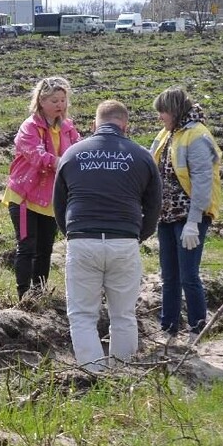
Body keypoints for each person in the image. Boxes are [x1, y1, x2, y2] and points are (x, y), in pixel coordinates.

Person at [53, 100, 161, 372]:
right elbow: (154, 206)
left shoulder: (73, 154)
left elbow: (59, 204)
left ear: (94, 125)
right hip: (124, 240)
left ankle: (92, 374)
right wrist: (137, 235)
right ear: (125, 126)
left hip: (83, 240)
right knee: (124, 315)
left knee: (82, 315)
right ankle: (122, 374)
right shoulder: (141, 155)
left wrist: (73, 234)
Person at [149, 87, 223, 336]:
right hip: (166, 215)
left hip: (190, 216)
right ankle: (168, 327)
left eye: (162, 112)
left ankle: (197, 328)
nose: (160, 117)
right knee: (169, 275)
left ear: (175, 110)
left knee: (188, 275)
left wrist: (194, 222)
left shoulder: (197, 136)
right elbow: (152, 166)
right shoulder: (167, 133)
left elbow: (203, 182)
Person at [2, 76, 82, 299]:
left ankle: (39, 294)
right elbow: (37, 156)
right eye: (55, 100)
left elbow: (79, 149)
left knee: (45, 249)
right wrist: (64, 163)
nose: (60, 105)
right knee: (27, 246)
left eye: (63, 100)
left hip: (51, 197)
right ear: (41, 101)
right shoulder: (29, 127)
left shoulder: (68, 127)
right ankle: (23, 296)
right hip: (25, 196)